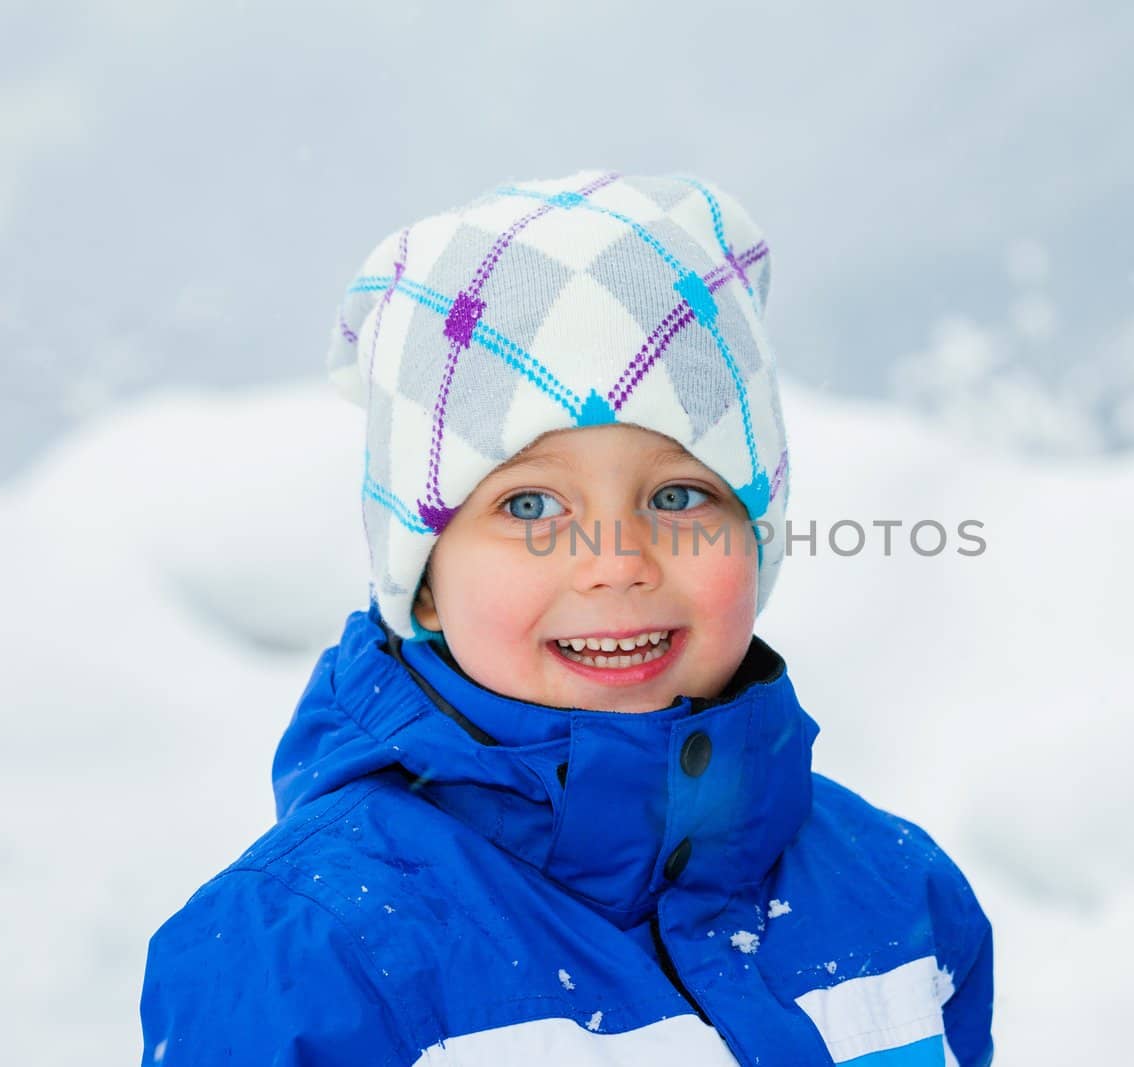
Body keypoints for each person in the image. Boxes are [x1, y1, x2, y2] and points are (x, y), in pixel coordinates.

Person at [139, 170, 994, 1065]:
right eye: (530, 507)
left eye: (677, 493)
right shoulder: (304, 955)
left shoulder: (901, 895)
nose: (617, 560)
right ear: (423, 580)